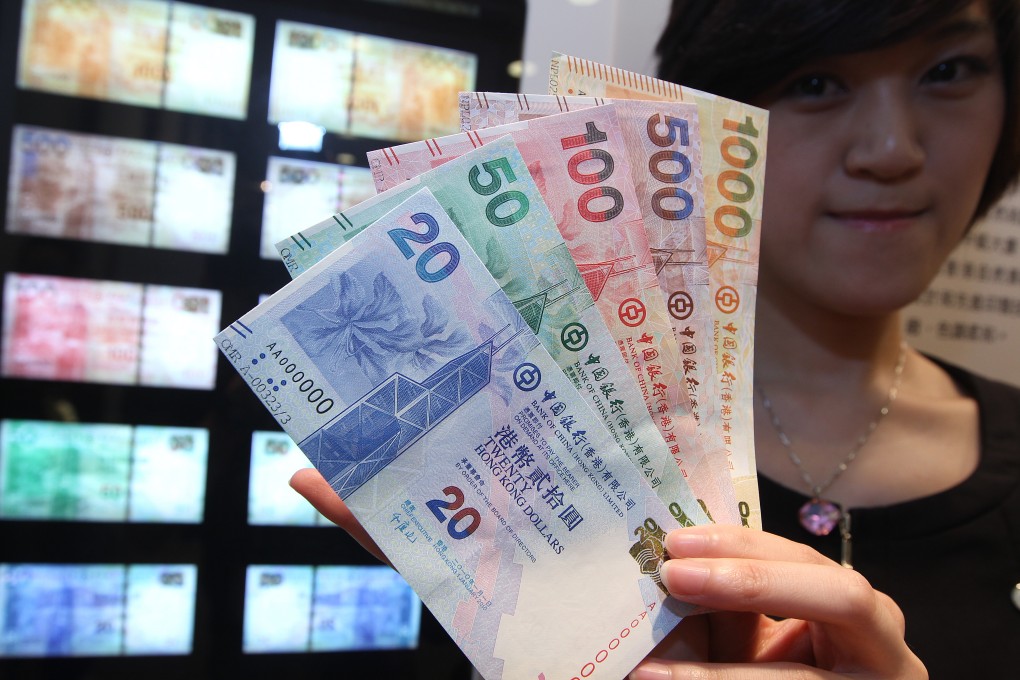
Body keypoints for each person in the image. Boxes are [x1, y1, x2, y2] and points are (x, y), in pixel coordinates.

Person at [292, 0, 1020, 677]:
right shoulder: (496, 461)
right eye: (816, 82)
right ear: (702, 118)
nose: (892, 149)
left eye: (948, 71)